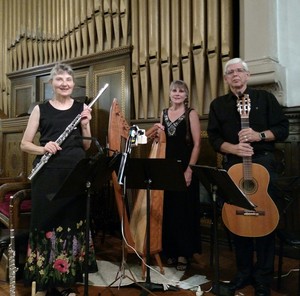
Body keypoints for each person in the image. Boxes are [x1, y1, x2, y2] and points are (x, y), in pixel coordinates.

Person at [207, 58, 289, 296]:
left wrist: (259, 135)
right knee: (237, 220)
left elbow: (283, 129)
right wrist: (233, 148)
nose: (235, 75)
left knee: (264, 221)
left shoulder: (265, 99)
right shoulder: (218, 105)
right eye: (230, 72)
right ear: (225, 78)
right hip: (234, 165)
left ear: (247, 75)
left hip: (263, 163)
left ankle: (263, 277)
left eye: (239, 71)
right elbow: (213, 139)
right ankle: (243, 273)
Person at [20, 63, 98, 296]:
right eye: (59, 79)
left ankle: (65, 282)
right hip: (47, 176)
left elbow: (86, 145)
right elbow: (25, 144)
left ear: (73, 83)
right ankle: (43, 282)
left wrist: (85, 125)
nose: (64, 83)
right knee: (46, 226)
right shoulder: (40, 109)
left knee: (71, 228)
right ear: (51, 83)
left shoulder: (81, 108)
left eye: (68, 80)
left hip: (74, 175)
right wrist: (43, 148)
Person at [154, 80, 201, 271]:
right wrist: (157, 135)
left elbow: (197, 144)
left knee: (184, 211)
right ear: (169, 93)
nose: (177, 93)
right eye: (174, 90)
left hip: (184, 168)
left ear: (186, 95)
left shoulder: (191, 114)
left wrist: (189, 170)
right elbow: (161, 141)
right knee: (169, 210)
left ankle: (184, 253)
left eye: (181, 91)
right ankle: (171, 251)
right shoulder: (163, 113)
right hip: (167, 168)